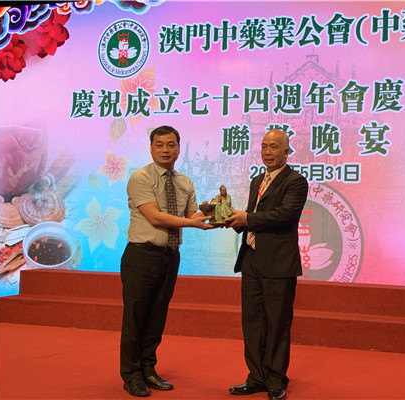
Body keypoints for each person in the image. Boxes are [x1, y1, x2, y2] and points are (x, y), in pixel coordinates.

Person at [120, 125, 214, 397]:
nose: (165, 150)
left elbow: (192, 214)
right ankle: (131, 375)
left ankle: (148, 369)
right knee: (136, 318)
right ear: (151, 148)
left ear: (179, 148)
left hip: (170, 257)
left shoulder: (185, 182)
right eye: (159, 145)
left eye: (171, 144)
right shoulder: (140, 178)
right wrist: (193, 224)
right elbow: (156, 217)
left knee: (157, 317)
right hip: (141, 255)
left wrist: (216, 215)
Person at [224, 129, 308, 400]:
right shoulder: (257, 180)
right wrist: (232, 220)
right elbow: (255, 216)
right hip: (251, 259)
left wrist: (246, 218)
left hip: (278, 263)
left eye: (274, 147)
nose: (268, 152)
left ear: (287, 152)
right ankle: (256, 377)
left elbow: (285, 215)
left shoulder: (296, 181)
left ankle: (275, 379)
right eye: (264, 146)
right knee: (252, 322)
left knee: (277, 323)